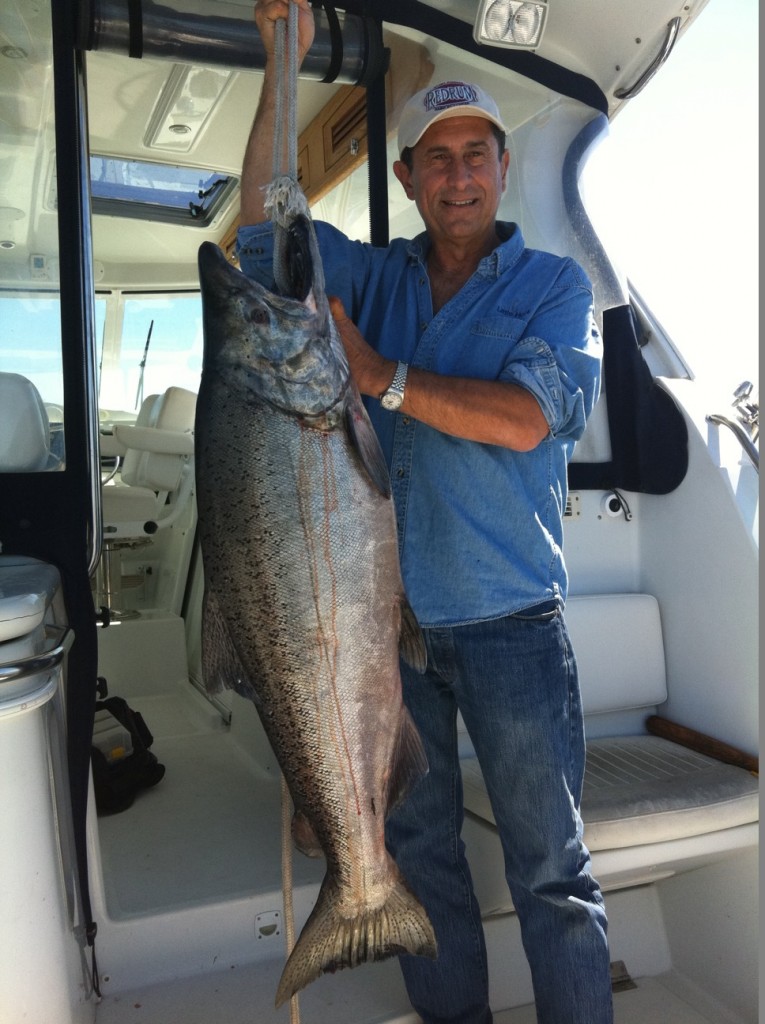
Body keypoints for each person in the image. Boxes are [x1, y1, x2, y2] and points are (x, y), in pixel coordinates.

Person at [239, 3, 614, 1022]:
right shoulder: (374, 273)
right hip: (386, 638)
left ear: (499, 166)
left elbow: (529, 418)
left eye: (475, 154)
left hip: (512, 628)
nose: (457, 174)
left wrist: (381, 376)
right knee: (426, 863)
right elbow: (258, 241)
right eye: (435, 158)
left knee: (553, 876)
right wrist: (285, 61)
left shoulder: (552, 286)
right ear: (406, 178)